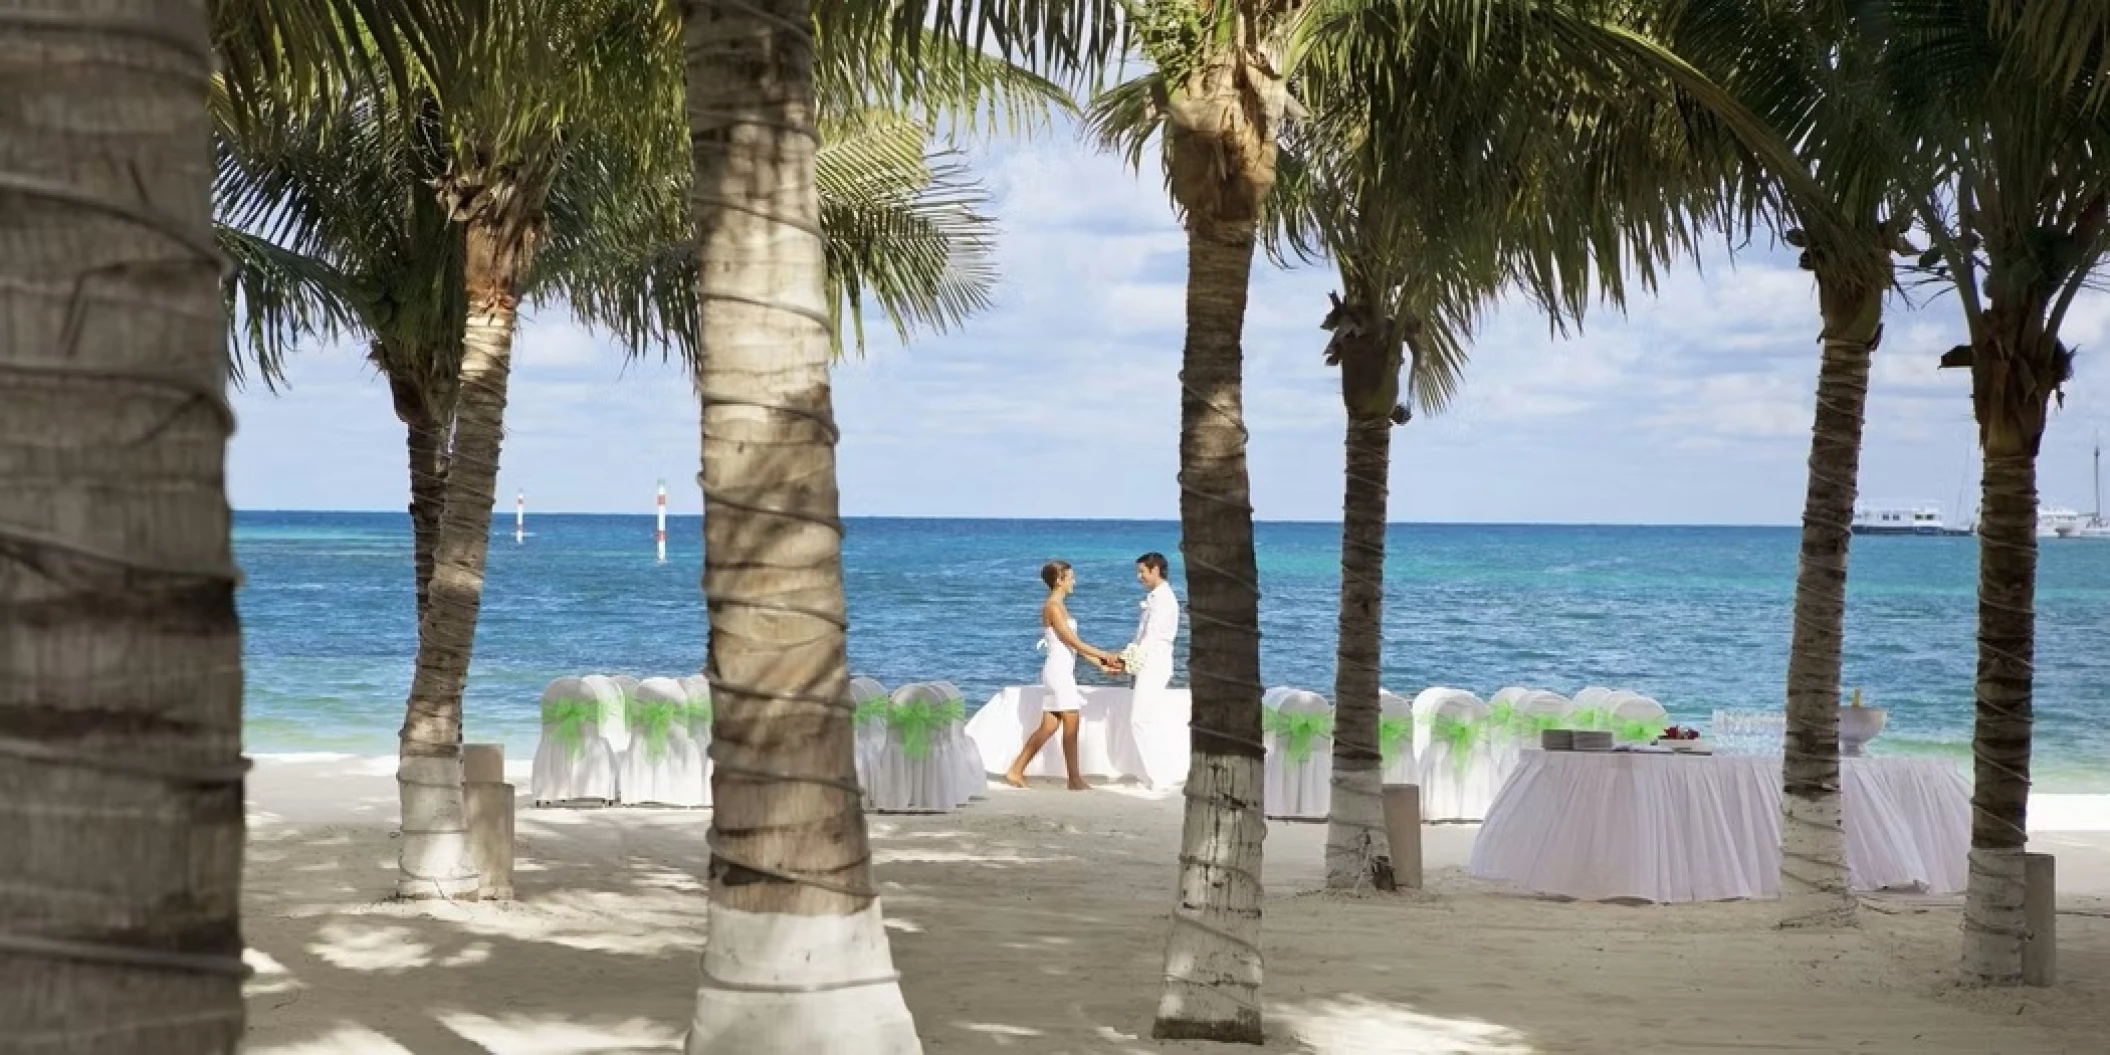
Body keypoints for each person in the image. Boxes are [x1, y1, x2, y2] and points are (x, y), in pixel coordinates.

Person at [1004, 560, 1117, 790]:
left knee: (1048, 727)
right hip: (1057, 673)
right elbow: (1071, 640)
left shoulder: (1061, 606)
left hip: (1062, 671)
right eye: (1071, 577)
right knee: (1072, 723)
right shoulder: (1052, 607)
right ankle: (1074, 779)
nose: (1074, 581)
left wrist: (1101, 665)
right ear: (1059, 580)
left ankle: (1016, 770)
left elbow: (1073, 648)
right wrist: (1105, 654)